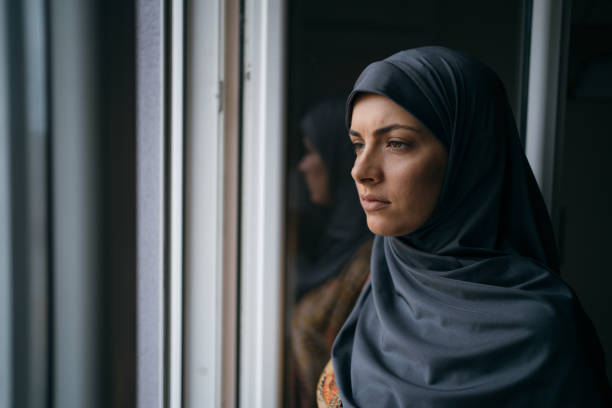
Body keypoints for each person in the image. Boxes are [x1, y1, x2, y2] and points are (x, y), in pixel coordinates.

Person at [316, 47, 612, 407]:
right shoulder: (384, 285)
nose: (361, 171)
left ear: (467, 157)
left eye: (396, 144)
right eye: (357, 145)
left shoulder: (543, 331)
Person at [290, 98, 373, 408]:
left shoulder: (376, 260)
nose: (303, 165)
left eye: (311, 151)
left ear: (336, 159)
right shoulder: (326, 244)